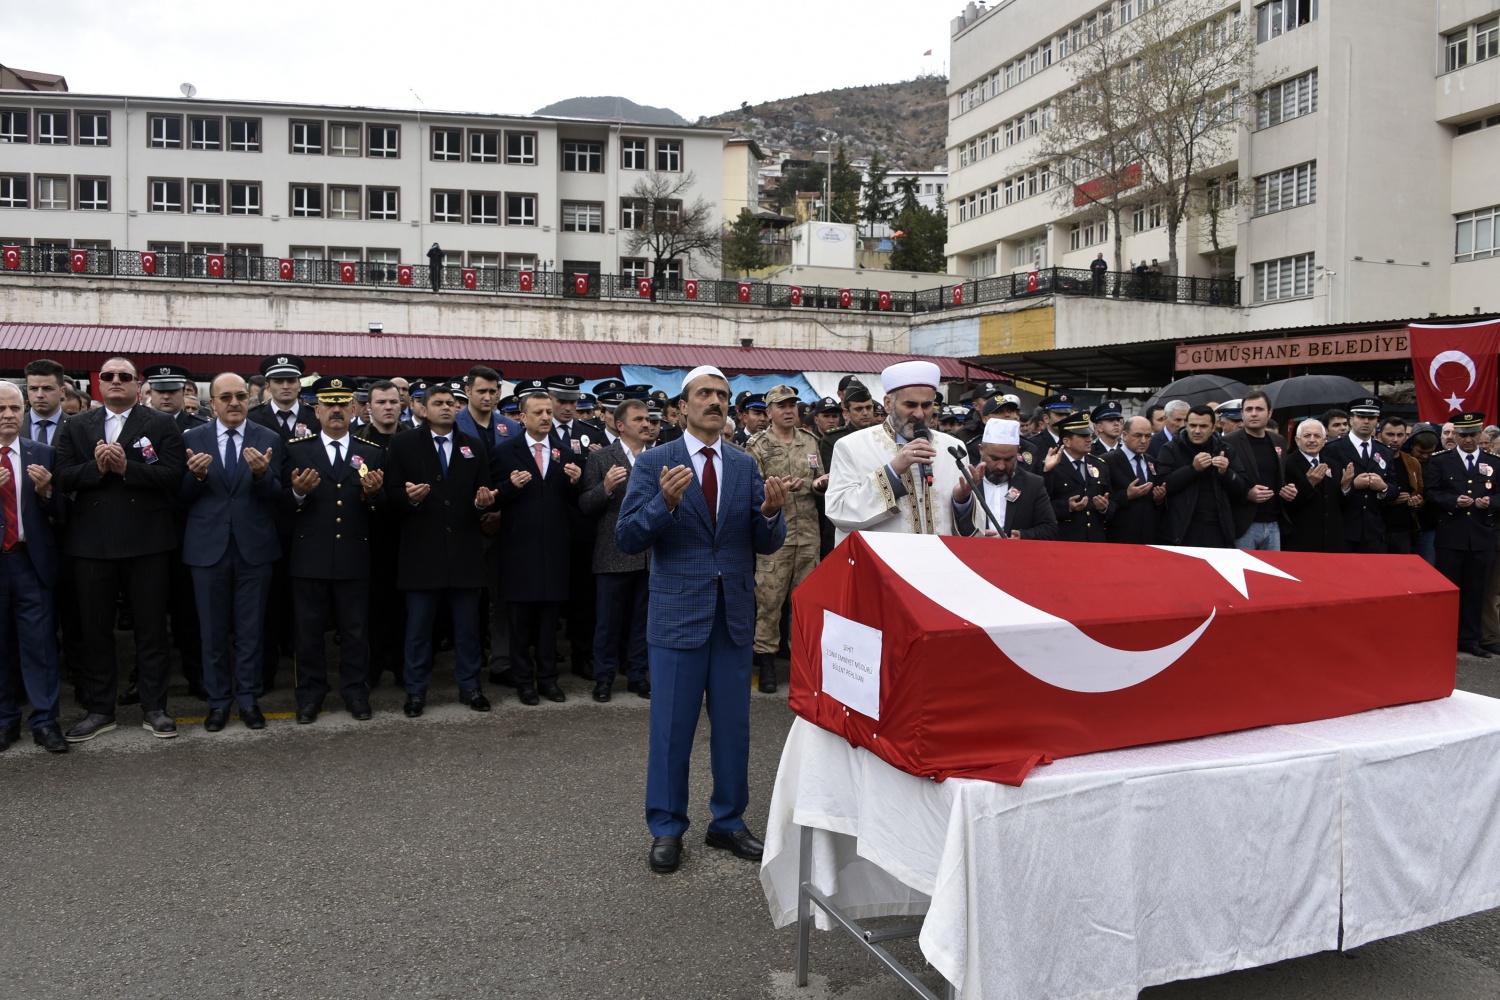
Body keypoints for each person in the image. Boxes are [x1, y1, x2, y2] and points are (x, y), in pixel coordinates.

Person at [616, 365, 790, 876]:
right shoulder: (656, 463)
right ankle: (667, 828)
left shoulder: (742, 463)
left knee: (734, 728)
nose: (715, 401)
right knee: (672, 729)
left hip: (733, 615)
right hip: (677, 615)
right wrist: (665, 504)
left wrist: (772, 515)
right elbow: (628, 537)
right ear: (682, 407)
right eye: (704, 394)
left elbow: (764, 543)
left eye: (722, 394)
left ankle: (728, 822)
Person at [54, 356, 186, 741]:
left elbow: (172, 476)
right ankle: (100, 709)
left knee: (150, 630)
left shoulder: (160, 424)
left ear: (137, 384)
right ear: (99, 384)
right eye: (108, 376)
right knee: (95, 630)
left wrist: (126, 468)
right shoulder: (76, 425)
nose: (115, 381)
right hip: (92, 543)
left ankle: (154, 707)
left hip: (147, 541)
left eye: (123, 376)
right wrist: (97, 468)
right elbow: (62, 477)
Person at [382, 380, 498, 716]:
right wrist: (408, 498)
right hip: (422, 552)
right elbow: (391, 495)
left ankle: (470, 687)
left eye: (452, 402)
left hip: (464, 551)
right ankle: (416, 691)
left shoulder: (473, 446)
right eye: (439, 402)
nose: (447, 407)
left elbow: (484, 493)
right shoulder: (403, 444)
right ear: (422, 408)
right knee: (419, 630)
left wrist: (482, 503)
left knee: (467, 629)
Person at [181, 373, 282, 732]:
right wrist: (193, 477)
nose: (235, 403)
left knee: (251, 631)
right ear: (213, 404)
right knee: (212, 632)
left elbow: (278, 497)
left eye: (241, 396)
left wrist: (261, 475)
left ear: (250, 400)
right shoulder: (192, 438)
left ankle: (249, 699)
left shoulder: (268, 438)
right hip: (208, 550)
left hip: (254, 549)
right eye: (226, 397)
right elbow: (177, 499)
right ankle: (219, 701)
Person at [283, 377, 385, 723]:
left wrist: (373, 495)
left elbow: (380, 509)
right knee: (308, 633)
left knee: (356, 631)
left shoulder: (369, 451)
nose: (337, 410)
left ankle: (356, 692)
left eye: (344, 404)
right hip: (309, 556)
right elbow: (280, 505)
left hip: (354, 557)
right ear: (317, 410)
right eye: (329, 404)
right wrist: (297, 493)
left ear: (354, 409)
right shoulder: (297, 449)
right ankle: (310, 695)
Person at [493, 388, 582, 705]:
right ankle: (523, 681)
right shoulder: (506, 452)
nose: (545, 417)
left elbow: (574, 503)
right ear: (522, 416)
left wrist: (575, 483)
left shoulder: (563, 452)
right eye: (538, 413)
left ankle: (547, 680)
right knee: (519, 621)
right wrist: (508, 487)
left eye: (548, 412)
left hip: (554, 550)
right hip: (519, 549)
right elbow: (493, 497)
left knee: (549, 620)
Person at [825, 361, 973, 544]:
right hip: (880, 565)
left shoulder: (953, 448)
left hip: (940, 565)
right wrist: (893, 471)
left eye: (927, 405)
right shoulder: (851, 446)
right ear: (888, 404)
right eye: (910, 404)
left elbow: (971, 527)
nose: (919, 414)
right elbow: (839, 512)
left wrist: (962, 500)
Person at [0, 381, 66, 753]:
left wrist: (47, 493)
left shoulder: (41, 452)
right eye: (1, 410)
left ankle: (45, 721)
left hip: (31, 561)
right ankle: (4, 720)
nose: (9, 416)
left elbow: (62, 512)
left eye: (14, 409)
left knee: (39, 646)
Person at [247, 353, 319, 690]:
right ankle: (265, 672)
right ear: (268, 385)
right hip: (266, 522)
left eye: (291, 380)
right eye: (279, 381)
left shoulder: (314, 416)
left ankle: (305, 671)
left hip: (308, 520)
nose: (286, 386)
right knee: (268, 603)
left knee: (304, 602)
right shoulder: (252, 418)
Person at [745, 385, 824, 694]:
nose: (789, 410)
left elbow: (820, 478)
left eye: (792, 404)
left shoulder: (810, 441)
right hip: (775, 534)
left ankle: (801, 664)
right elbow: (751, 487)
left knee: (805, 602)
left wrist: (819, 484)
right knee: (768, 600)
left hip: (808, 535)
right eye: (782, 406)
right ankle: (765, 662)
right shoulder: (758, 445)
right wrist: (776, 489)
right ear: (770, 412)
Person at [579, 398, 654, 702]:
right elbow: (585, 505)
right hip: (612, 553)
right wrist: (606, 487)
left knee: (642, 620)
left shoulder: (659, 456)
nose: (646, 424)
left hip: (649, 554)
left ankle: (637, 675)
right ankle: (605, 677)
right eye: (638, 420)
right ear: (620, 425)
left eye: (648, 419)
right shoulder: (601, 459)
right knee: (608, 622)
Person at [1426, 411, 1500, 658]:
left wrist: (1490, 502)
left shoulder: (1494, 461)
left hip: (1482, 536)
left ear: (1480, 434)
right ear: (1455, 434)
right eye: (1463, 434)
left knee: (1477, 589)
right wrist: (1453, 500)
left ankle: (1470, 639)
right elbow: (1432, 492)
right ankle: (1447, 637)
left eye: (1472, 435)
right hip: (1451, 534)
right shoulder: (1440, 461)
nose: (1468, 440)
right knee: (1450, 589)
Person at [1157, 403, 1247, 547]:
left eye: (1203, 426)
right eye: (1192, 425)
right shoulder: (1171, 448)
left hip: (1219, 529)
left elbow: (1241, 488)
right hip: (1182, 530)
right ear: (1186, 424)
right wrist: (1192, 469)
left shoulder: (1225, 448)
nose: (1197, 431)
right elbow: (1163, 484)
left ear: (1213, 427)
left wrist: (1226, 473)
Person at [1322, 396, 1400, 553]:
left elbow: (1395, 488)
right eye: (1361, 417)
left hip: (1373, 531)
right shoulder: (1333, 449)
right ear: (1351, 420)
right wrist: (1349, 486)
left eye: (1371, 417)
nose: (1366, 421)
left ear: (1377, 422)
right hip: (1342, 529)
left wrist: (1383, 488)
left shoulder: (1384, 451)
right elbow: (1324, 490)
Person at [961, 418, 1057, 539]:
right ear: (981, 450)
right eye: (994, 459)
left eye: (1008, 459)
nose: (1001, 466)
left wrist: (1022, 536)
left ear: (1018, 452)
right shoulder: (965, 482)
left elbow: (1050, 529)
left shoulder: (1033, 484)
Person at [1223, 391, 1292, 551]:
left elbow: (1279, 476)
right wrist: (1246, 493)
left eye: (1259, 409)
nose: (1253, 414)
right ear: (1242, 413)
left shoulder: (1279, 440)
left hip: (1274, 523)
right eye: (1249, 409)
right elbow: (1222, 481)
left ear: (1270, 413)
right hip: (1244, 524)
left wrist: (1288, 489)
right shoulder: (1228, 442)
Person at [1042, 412, 1113, 541]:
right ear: (1066, 441)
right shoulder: (1052, 465)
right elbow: (1041, 505)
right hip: (1065, 539)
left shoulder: (1099, 465)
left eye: (1089, 435)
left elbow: (1112, 500)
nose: (1089, 439)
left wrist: (1104, 508)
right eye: (1083, 436)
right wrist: (1067, 507)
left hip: (1094, 539)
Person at [1281, 419, 1347, 553]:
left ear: (1324, 440)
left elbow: (1339, 503)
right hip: (1301, 539)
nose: (1312, 440)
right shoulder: (1287, 464)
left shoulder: (1334, 465)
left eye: (1317, 436)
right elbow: (1287, 504)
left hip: (1332, 540)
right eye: (1307, 436)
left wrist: (1346, 487)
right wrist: (1309, 484)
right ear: (1297, 440)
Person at [1106, 415, 1165, 544]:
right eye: (1138, 435)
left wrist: (1158, 498)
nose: (1144, 440)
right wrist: (1126, 495)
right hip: (1118, 537)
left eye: (1148, 436)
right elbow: (1103, 499)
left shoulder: (1152, 462)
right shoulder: (1107, 461)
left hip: (1149, 536)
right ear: (1125, 435)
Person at [22, 358, 69, 445]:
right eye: (33, 388)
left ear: (62, 391)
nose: (39, 395)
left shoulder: (76, 428)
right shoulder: (15, 426)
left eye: (47, 388)